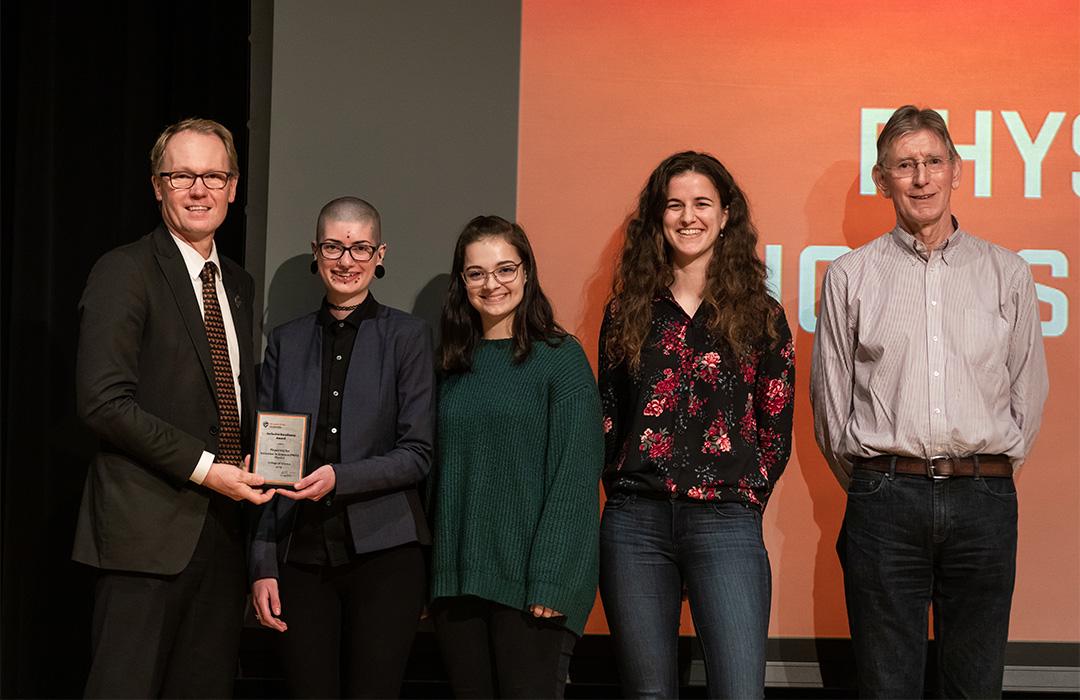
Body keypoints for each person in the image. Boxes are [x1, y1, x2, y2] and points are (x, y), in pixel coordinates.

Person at [811, 105, 1049, 698]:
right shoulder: (849, 276)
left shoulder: (1008, 273)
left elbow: (1028, 393)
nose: (921, 178)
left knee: (975, 685)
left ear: (957, 171)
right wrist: (877, 480)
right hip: (885, 502)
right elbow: (831, 410)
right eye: (905, 165)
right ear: (881, 179)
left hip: (984, 499)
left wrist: (987, 471)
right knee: (886, 685)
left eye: (933, 162)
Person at [74, 118, 273, 697]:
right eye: (181, 175)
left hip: (223, 534)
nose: (198, 190)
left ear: (234, 187)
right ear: (156, 186)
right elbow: (103, 401)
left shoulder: (237, 281)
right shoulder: (124, 271)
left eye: (213, 175)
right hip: (145, 537)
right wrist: (210, 468)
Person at [598, 151, 794, 698]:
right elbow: (608, 415)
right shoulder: (626, 312)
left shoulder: (761, 314)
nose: (689, 216)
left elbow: (775, 426)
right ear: (657, 218)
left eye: (702, 203)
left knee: (738, 690)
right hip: (636, 522)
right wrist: (624, 491)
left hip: (725, 519)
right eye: (674, 204)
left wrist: (745, 496)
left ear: (726, 214)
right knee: (649, 693)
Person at [250, 197, 435, 698]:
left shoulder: (408, 337)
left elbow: (418, 452)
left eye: (359, 247)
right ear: (316, 251)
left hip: (386, 552)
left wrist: (339, 478)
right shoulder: (285, 341)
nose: (346, 260)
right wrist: (263, 563)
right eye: (333, 245)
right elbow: (267, 466)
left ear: (380, 255)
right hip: (300, 554)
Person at [428, 215, 603, 698]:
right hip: (457, 585)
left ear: (527, 272)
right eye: (477, 273)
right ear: (461, 282)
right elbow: (436, 476)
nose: (492, 284)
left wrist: (550, 579)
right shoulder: (449, 364)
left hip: (532, 589)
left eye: (505, 269)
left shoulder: (560, 359)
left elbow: (575, 477)